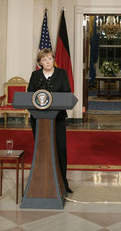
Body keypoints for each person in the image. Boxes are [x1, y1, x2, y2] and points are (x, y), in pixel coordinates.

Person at [28, 48, 73, 193]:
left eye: (50, 58)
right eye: (44, 59)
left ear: (53, 59)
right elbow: (29, 96)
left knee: (60, 149)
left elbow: (66, 94)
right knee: (41, 150)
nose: (48, 62)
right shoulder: (35, 75)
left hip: (58, 118)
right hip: (38, 120)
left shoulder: (62, 74)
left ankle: (62, 183)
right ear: (40, 62)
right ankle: (41, 182)